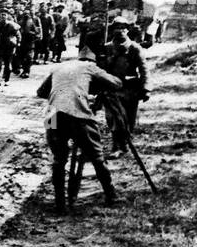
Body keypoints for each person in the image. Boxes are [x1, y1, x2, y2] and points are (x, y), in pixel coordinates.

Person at [36, 39, 123, 214]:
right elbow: (116, 83)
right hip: (78, 114)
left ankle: (60, 203)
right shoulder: (89, 67)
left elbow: (41, 92)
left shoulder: (59, 67)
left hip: (51, 115)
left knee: (58, 159)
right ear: (92, 61)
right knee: (97, 154)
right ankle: (111, 194)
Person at [101, 17, 149, 155]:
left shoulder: (135, 48)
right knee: (113, 118)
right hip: (111, 90)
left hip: (130, 89)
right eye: (117, 27)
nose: (120, 30)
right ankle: (117, 146)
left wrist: (146, 89)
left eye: (123, 27)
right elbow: (100, 69)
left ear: (128, 30)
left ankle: (125, 143)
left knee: (128, 119)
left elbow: (144, 69)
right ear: (112, 30)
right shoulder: (107, 48)